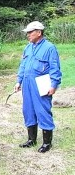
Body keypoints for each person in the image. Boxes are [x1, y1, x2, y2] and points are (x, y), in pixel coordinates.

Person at [14, 21, 62, 153]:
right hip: (27, 83)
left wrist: (53, 84)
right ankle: (31, 140)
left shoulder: (49, 48)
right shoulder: (28, 47)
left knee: (42, 110)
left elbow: (54, 67)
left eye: (30, 32)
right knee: (28, 110)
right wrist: (19, 81)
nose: (28, 35)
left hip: (42, 82)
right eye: (27, 33)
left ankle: (47, 143)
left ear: (39, 32)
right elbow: (23, 66)